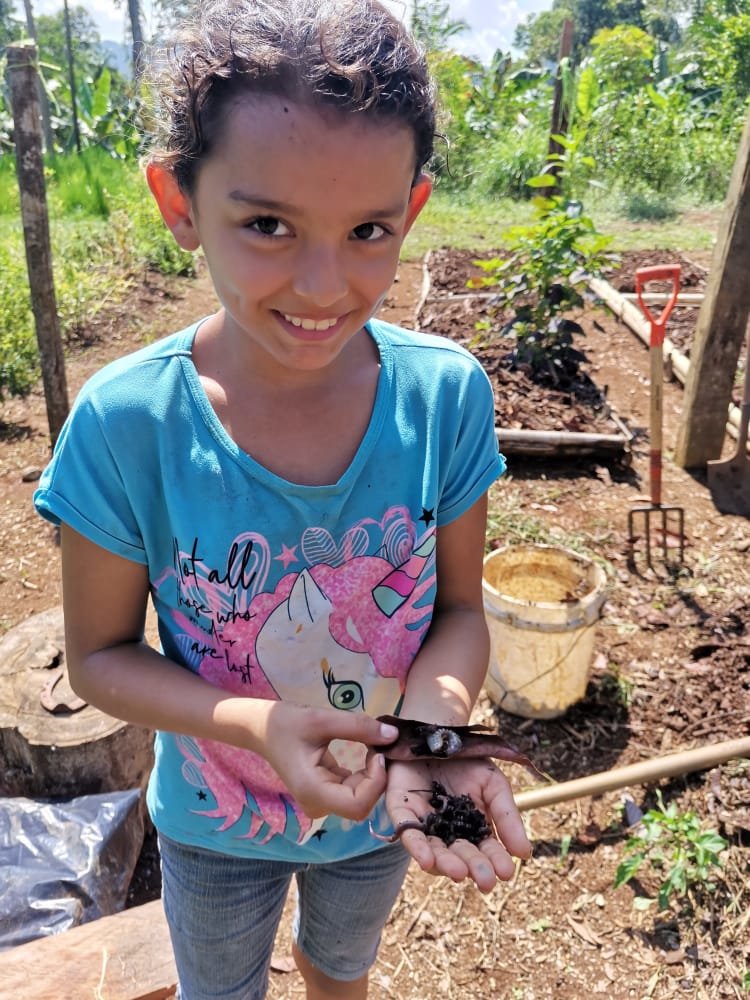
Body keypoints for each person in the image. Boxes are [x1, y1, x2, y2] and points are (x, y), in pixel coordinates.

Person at [33, 1, 532, 997]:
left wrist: (429, 740)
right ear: (179, 202)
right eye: (267, 224)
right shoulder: (128, 422)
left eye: (367, 230)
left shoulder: (444, 398)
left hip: (382, 810)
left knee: (338, 967)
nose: (322, 283)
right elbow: (98, 657)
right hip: (215, 821)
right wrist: (258, 725)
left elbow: (462, 613)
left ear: (413, 211)